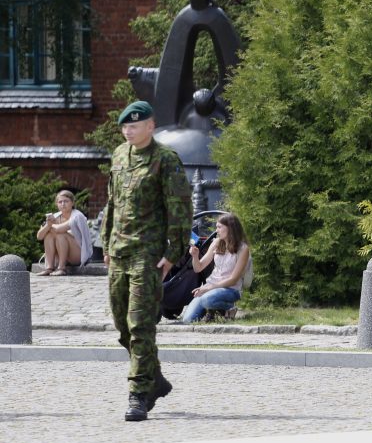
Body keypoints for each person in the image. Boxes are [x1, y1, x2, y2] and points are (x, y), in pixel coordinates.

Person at [101, 100, 192, 422]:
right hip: (119, 251)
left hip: (147, 255)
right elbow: (113, 202)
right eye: (125, 126)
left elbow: (180, 209)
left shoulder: (165, 160)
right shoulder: (118, 155)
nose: (128, 131)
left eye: (135, 126)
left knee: (140, 325)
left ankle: (138, 394)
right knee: (122, 326)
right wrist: (105, 245)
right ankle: (156, 380)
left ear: (150, 127)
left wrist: (173, 253)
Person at [181, 212, 251, 323]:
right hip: (211, 288)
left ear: (230, 228)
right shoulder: (217, 243)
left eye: (219, 227)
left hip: (231, 289)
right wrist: (195, 256)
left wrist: (207, 288)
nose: (216, 230)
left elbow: (233, 279)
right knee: (188, 320)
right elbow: (198, 268)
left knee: (206, 299)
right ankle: (213, 310)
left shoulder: (243, 248)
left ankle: (228, 308)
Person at [36, 190, 94, 276]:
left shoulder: (77, 216)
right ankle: (49, 268)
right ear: (56, 204)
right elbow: (39, 237)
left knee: (61, 235)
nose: (63, 204)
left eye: (66, 201)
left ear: (72, 203)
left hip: (79, 255)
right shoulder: (55, 216)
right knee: (48, 235)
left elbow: (59, 229)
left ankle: (61, 268)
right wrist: (48, 225)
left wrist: (48, 225)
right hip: (63, 254)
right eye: (60, 202)